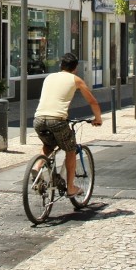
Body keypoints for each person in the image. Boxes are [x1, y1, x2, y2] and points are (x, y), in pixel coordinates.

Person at [32, 52, 102, 197]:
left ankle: (36, 166)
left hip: (38, 119)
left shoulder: (49, 77)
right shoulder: (76, 80)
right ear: (75, 68)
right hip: (56, 120)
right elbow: (93, 101)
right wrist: (98, 119)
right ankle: (70, 188)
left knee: (48, 145)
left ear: (61, 65)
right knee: (70, 150)